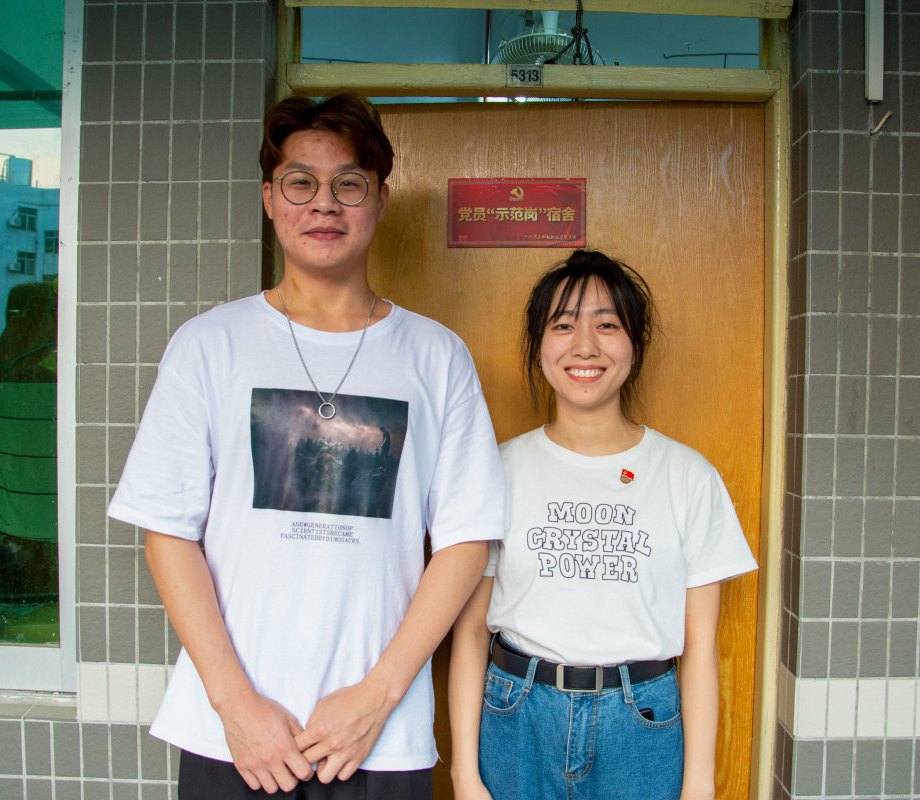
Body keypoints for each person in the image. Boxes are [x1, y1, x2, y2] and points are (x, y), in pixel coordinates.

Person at [108, 93, 504, 799]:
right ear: (270, 198)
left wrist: (379, 696)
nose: (324, 203)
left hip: (378, 738)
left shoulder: (436, 356)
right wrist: (235, 704)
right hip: (234, 734)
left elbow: (466, 543)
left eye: (349, 184)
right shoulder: (208, 345)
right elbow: (167, 532)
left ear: (380, 200)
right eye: (301, 182)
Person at [448, 250, 757, 800]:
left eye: (607, 325)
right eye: (563, 325)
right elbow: (470, 632)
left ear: (635, 345)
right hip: (518, 720)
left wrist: (699, 786)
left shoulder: (688, 475)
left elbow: (700, 648)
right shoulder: (498, 470)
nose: (585, 346)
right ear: (538, 346)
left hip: (641, 727)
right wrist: (464, 775)